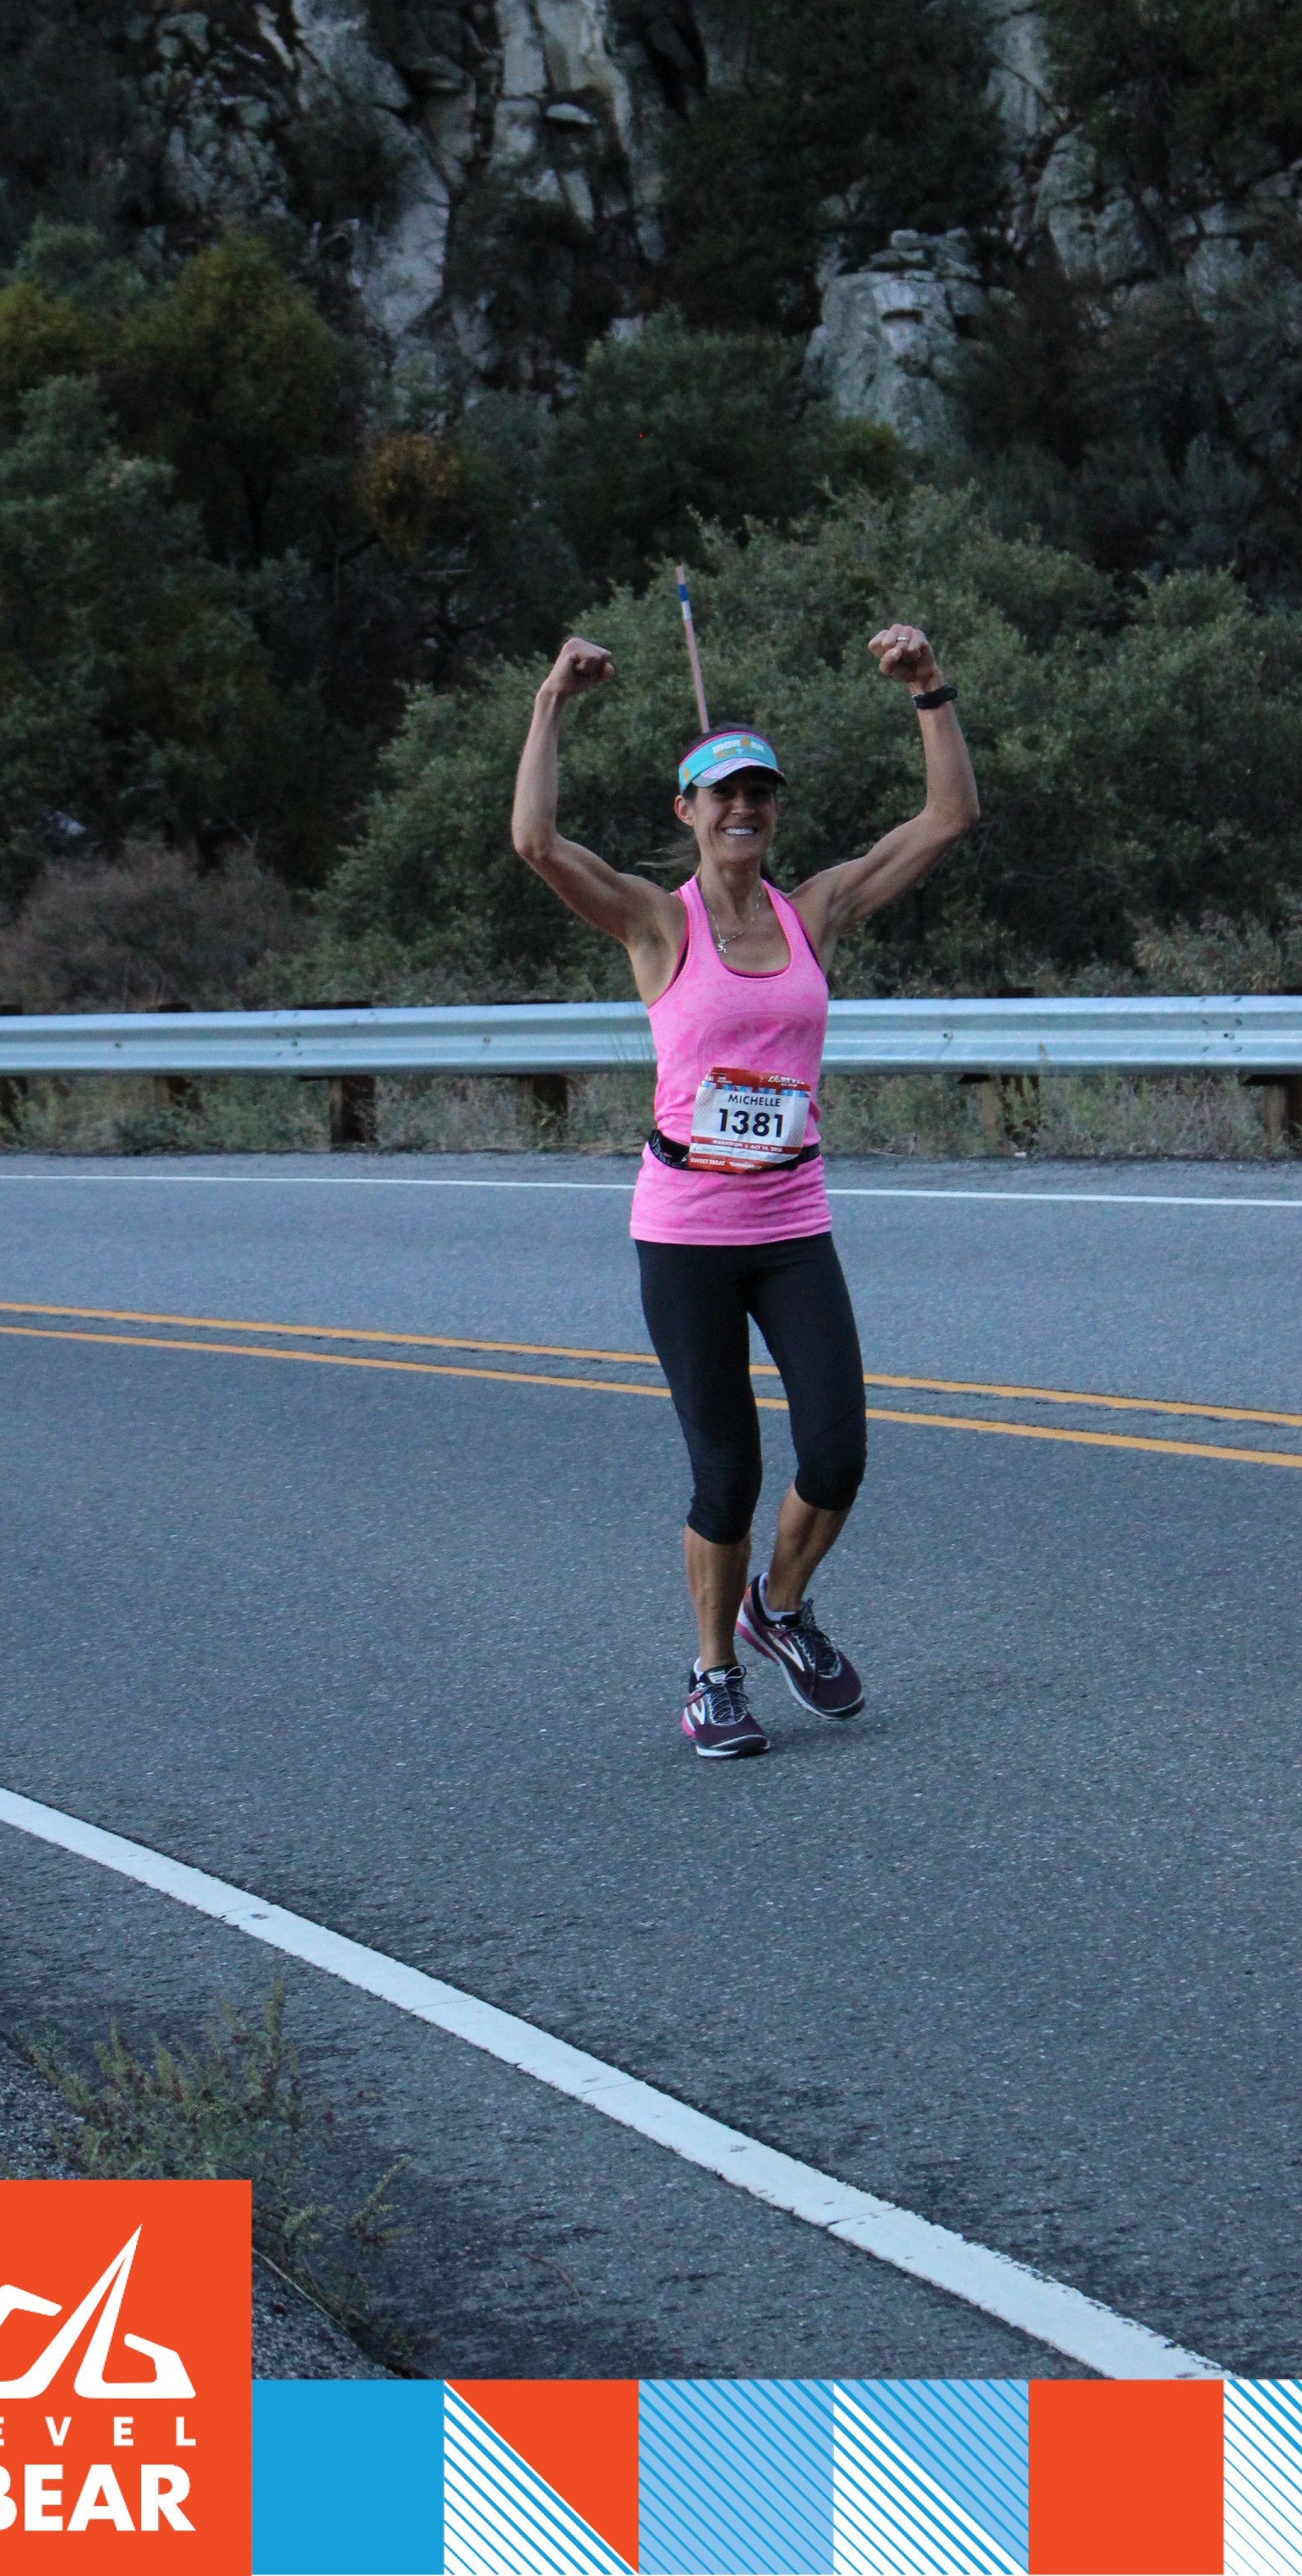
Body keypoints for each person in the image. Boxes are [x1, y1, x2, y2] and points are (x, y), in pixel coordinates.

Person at [511, 623, 978, 1756]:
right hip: (685, 1233)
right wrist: (551, 701)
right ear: (687, 811)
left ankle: (780, 1606)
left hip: (791, 1219)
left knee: (838, 1453)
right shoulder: (655, 921)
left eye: (760, 793)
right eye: (723, 793)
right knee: (726, 1471)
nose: (744, 808)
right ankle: (712, 1671)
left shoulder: (812, 913)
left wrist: (929, 690)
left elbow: (947, 818)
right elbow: (536, 842)